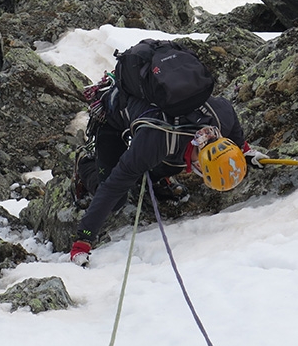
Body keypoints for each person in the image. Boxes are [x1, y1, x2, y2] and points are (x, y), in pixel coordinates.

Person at [70, 83, 263, 266]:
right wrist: (83, 240)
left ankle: (156, 178)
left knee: (177, 157)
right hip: (114, 115)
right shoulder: (156, 142)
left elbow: (231, 121)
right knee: (118, 199)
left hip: (156, 117)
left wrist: (244, 151)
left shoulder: (222, 118)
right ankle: (85, 165)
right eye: (203, 172)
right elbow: (114, 185)